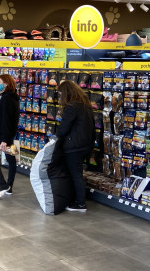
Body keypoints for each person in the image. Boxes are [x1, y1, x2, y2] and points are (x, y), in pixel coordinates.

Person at [55, 80, 95, 213]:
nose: (59, 97)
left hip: (74, 146)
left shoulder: (71, 107)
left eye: (60, 94)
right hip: (86, 145)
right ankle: (78, 199)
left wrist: (57, 135)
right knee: (78, 172)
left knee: (75, 174)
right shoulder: (85, 104)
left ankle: (80, 203)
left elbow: (64, 128)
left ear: (66, 93)